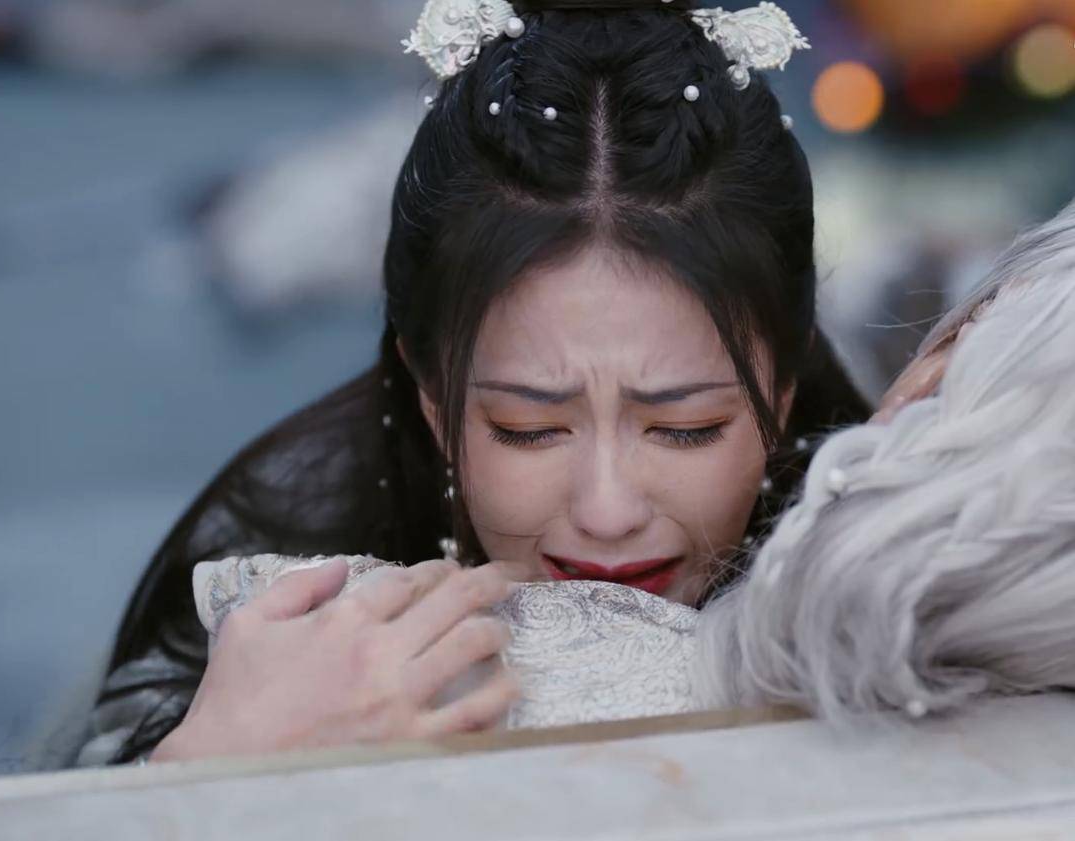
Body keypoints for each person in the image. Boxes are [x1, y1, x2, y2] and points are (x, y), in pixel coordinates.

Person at [71, 0, 870, 766]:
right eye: (528, 428)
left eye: (684, 427)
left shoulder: (889, 561)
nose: (607, 511)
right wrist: (210, 770)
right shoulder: (274, 586)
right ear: (431, 396)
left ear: (783, 387)